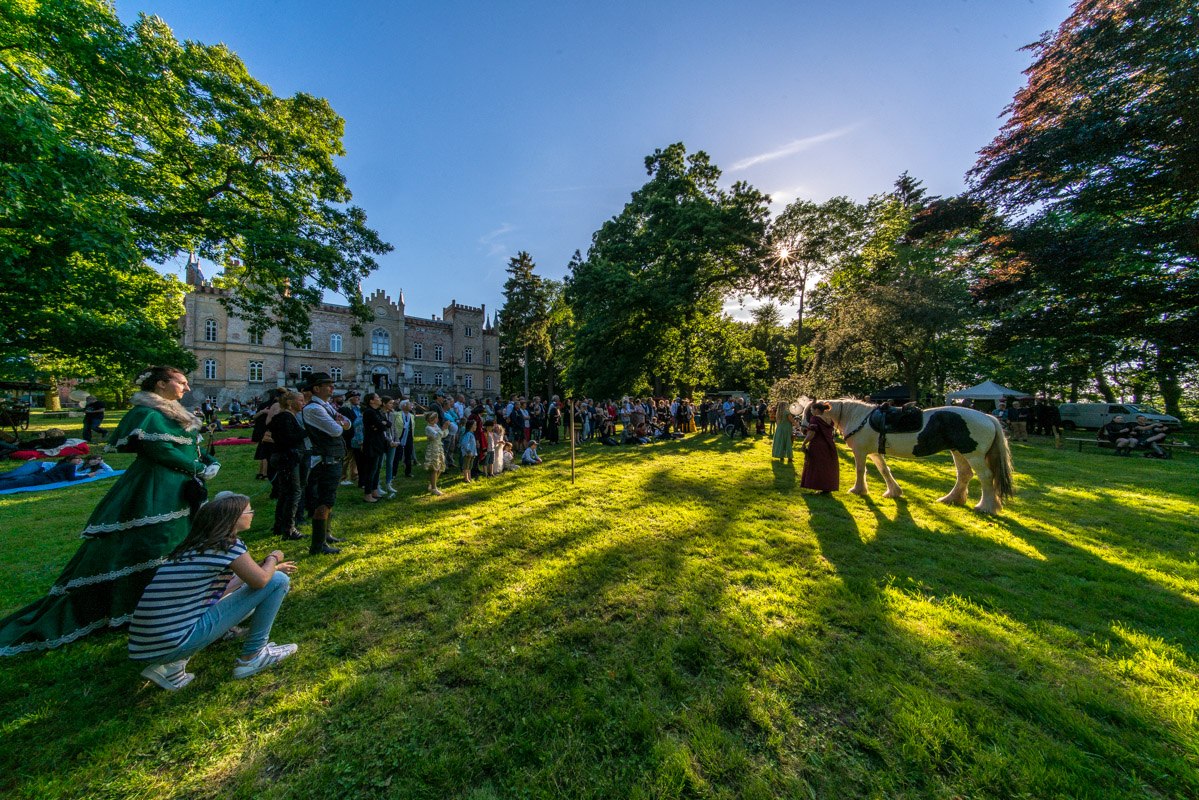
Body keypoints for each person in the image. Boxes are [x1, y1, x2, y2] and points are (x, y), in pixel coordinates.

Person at [0, 366, 220, 657]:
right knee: (152, 542)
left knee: (177, 539)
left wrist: (207, 461)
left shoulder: (174, 412)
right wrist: (199, 468)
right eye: (181, 382)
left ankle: (167, 602)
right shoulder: (147, 413)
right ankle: (135, 605)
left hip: (181, 488)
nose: (187, 388)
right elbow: (161, 452)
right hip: (155, 487)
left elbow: (190, 447)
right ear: (161, 384)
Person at [128, 493, 298, 690]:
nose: (252, 513)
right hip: (173, 642)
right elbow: (260, 581)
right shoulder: (228, 545)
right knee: (277, 581)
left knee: (262, 581)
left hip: (147, 644)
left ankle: (171, 667)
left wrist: (268, 570)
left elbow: (224, 588)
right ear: (232, 519)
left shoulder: (195, 546)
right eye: (248, 511)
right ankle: (253, 656)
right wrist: (272, 559)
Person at [299, 373, 350, 555]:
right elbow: (337, 430)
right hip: (324, 461)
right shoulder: (313, 409)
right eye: (327, 385)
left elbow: (347, 423)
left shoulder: (326, 405)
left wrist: (341, 422)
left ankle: (325, 535)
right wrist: (340, 423)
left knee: (329, 499)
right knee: (323, 501)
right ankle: (318, 545)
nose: (332, 388)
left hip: (332, 458)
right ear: (316, 388)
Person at [267, 390, 307, 541]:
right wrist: (306, 432)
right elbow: (288, 439)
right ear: (290, 403)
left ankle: (280, 525)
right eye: (301, 400)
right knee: (293, 492)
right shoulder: (285, 417)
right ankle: (289, 528)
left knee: (286, 492)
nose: (303, 403)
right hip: (287, 458)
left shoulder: (286, 417)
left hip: (285, 457)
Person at [800, 402, 839, 493]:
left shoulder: (815, 419)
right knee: (827, 467)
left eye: (812, 410)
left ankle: (818, 485)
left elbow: (811, 433)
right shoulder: (830, 419)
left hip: (818, 445)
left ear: (817, 410)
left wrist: (804, 443)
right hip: (829, 445)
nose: (811, 411)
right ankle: (826, 488)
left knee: (817, 466)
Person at [359, 393, 388, 503]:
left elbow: (387, 424)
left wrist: (381, 424)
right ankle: (367, 494)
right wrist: (380, 424)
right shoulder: (369, 412)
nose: (380, 398)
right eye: (377, 397)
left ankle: (375, 490)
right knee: (371, 469)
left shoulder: (377, 412)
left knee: (377, 469)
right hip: (372, 444)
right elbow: (381, 425)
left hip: (379, 442)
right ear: (371, 401)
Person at [0, 455, 86, 490]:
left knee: (16, 479)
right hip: (39, 466)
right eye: (77, 459)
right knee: (14, 474)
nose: (80, 460)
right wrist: (88, 475)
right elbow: (72, 477)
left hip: (41, 475)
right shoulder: (69, 465)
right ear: (69, 459)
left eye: (80, 459)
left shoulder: (76, 466)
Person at [423, 411, 446, 495]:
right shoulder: (428, 428)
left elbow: (442, 435)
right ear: (432, 419)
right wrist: (443, 429)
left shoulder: (435, 426)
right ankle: (434, 488)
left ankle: (432, 483)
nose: (437, 419)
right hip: (433, 448)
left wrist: (444, 429)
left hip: (439, 447)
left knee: (440, 466)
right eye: (436, 418)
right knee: (434, 468)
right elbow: (436, 436)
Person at [460, 418, 479, 483]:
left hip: (472, 453)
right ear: (471, 426)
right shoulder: (468, 434)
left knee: (470, 466)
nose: (476, 426)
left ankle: (469, 477)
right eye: (475, 425)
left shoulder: (472, 434)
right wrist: (468, 451)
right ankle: (466, 478)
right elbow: (464, 443)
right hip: (468, 454)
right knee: (466, 466)